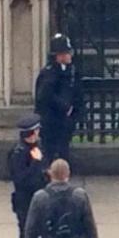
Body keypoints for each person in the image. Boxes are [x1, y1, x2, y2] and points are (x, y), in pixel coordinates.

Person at [8, 113, 48, 238]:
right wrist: (35, 163)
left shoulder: (36, 147)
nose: (39, 133)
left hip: (41, 200)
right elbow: (21, 180)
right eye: (36, 130)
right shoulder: (18, 153)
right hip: (26, 204)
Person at [35, 33, 84, 162]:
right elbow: (45, 96)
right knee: (50, 154)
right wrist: (65, 107)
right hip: (51, 122)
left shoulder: (71, 71)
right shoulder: (49, 73)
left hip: (64, 122)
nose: (70, 55)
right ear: (58, 55)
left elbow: (76, 92)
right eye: (67, 52)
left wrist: (75, 112)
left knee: (63, 151)